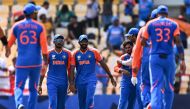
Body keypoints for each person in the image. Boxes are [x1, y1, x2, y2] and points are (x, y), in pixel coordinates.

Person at [140, 5, 186, 109]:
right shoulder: (174, 24)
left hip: (155, 57)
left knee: (156, 85)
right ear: (167, 14)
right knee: (169, 86)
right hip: (169, 57)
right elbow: (178, 42)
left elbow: (143, 42)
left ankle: (155, 107)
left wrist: (152, 44)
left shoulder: (150, 24)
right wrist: (182, 60)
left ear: (158, 14)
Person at [6, 3, 48, 109]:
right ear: (33, 14)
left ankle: (19, 104)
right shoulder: (40, 26)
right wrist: (45, 61)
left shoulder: (16, 26)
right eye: (36, 12)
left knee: (18, 87)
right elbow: (44, 47)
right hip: (36, 62)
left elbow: (9, 43)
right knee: (33, 89)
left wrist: (7, 51)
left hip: (22, 62)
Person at [69, 34, 116, 109]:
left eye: (85, 41)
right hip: (80, 80)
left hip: (91, 79)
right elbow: (71, 69)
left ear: (88, 42)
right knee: (81, 103)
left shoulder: (94, 52)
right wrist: (71, 83)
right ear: (79, 42)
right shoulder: (75, 53)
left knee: (89, 99)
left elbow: (103, 64)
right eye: (82, 41)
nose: (84, 43)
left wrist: (111, 76)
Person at [131, 9, 158, 108]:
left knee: (145, 85)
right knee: (158, 85)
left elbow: (137, 51)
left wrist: (134, 73)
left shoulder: (143, 30)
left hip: (146, 61)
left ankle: (147, 104)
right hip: (160, 60)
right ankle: (155, 103)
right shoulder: (165, 30)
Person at [38, 34, 72, 109]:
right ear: (54, 41)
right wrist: (39, 84)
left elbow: (70, 70)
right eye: (57, 40)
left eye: (61, 40)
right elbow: (44, 69)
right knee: (53, 103)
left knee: (61, 105)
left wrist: (71, 83)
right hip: (52, 82)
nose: (59, 42)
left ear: (63, 42)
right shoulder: (48, 53)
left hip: (63, 82)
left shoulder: (68, 53)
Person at [114, 40, 136, 109]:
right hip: (125, 82)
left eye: (129, 47)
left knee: (131, 103)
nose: (127, 49)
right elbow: (115, 67)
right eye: (126, 48)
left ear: (133, 47)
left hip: (135, 83)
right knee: (123, 102)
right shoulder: (123, 57)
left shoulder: (137, 56)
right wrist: (121, 70)